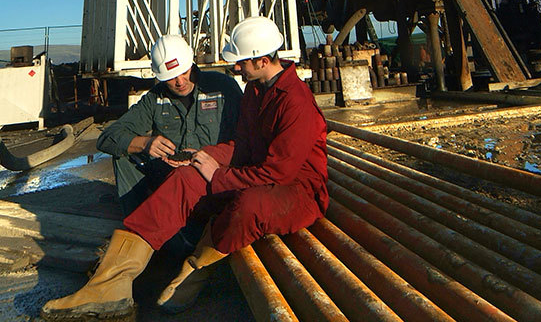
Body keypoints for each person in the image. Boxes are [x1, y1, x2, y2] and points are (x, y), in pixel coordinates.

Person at [41, 17, 328, 320]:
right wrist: (203, 157)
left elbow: (278, 174)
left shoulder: (296, 102)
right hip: (258, 174)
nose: (235, 69)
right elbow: (242, 148)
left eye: (241, 62)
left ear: (262, 59)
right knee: (185, 180)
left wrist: (218, 175)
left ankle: (192, 272)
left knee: (249, 205)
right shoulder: (256, 93)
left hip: (297, 191)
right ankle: (109, 286)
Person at [96, 34, 243, 217]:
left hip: (212, 172)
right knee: (123, 156)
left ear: (191, 63)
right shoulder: (155, 99)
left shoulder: (222, 87)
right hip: (171, 179)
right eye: (172, 77)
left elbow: (247, 135)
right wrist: (146, 143)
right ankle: (140, 224)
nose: (180, 82)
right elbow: (107, 138)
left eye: (183, 72)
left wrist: (213, 158)